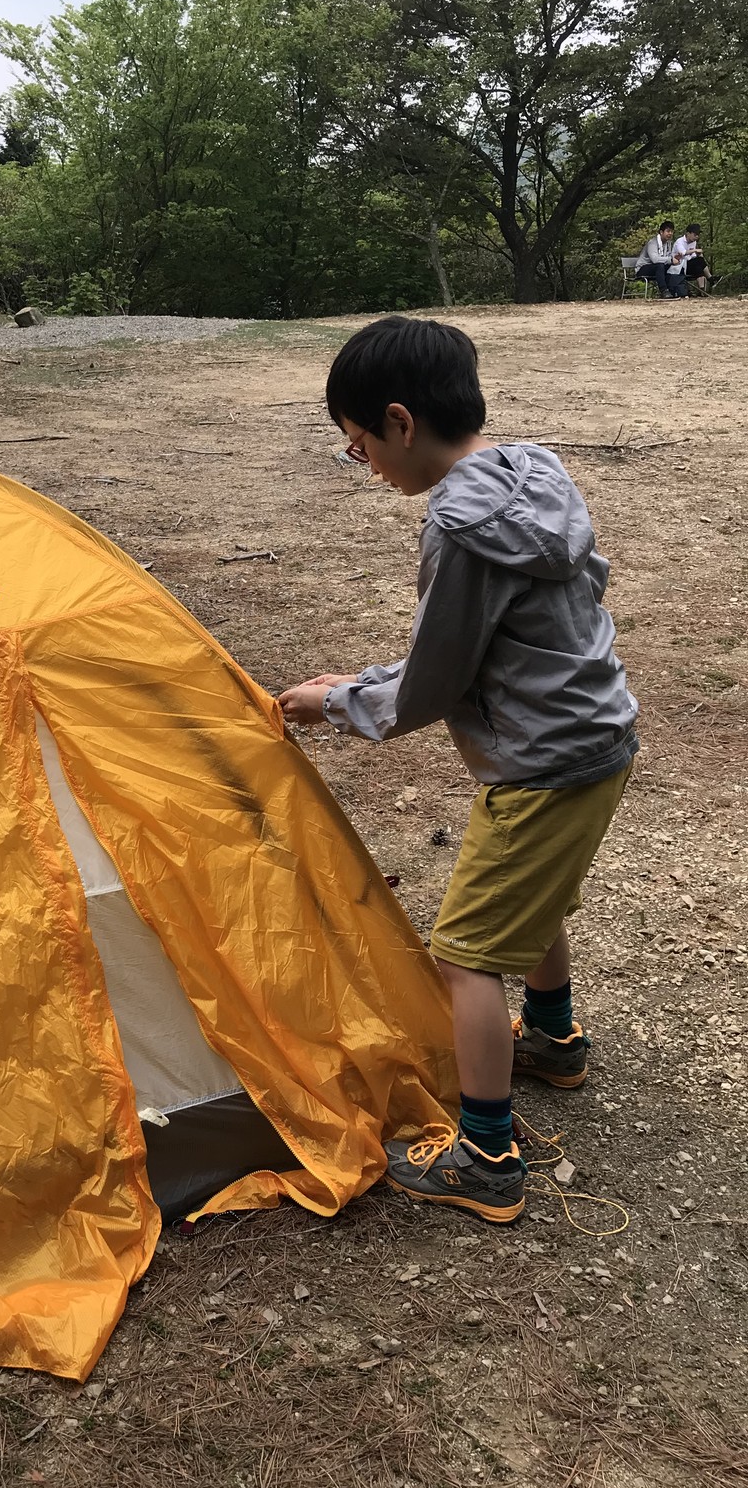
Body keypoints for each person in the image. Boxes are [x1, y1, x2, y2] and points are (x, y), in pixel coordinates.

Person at [279, 317, 638, 1224]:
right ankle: (554, 1038)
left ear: (400, 422)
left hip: (543, 761)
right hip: (594, 738)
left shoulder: (460, 525)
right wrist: (357, 680)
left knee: (465, 954)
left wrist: (337, 702)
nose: (365, 466)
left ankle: (487, 1155)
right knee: (534, 898)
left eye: (359, 447)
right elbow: (557, 601)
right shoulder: (533, 473)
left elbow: (438, 677)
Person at [633, 221, 677, 295]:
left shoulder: (668, 243)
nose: (670, 234)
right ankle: (664, 291)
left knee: (671, 267)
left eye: (671, 231)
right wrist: (670, 260)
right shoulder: (653, 243)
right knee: (660, 266)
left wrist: (675, 259)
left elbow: (668, 257)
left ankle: (674, 290)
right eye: (668, 231)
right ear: (661, 232)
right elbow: (655, 259)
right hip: (643, 269)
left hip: (656, 268)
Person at [671, 224, 710, 294]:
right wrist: (695, 250)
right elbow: (683, 253)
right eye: (695, 235)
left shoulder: (693, 242)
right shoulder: (679, 242)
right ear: (688, 233)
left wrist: (697, 254)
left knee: (699, 265)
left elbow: (692, 256)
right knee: (699, 261)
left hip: (689, 265)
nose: (696, 237)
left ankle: (702, 291)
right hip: (679, 267)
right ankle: (710, 278)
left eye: (698, 235)